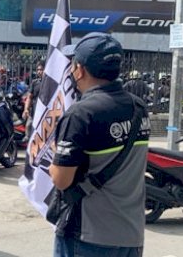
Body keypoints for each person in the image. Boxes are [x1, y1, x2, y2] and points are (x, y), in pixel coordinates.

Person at [50, 32, 150, 257]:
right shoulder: (139, 107)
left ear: (80, 69)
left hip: (88, 236)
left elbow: (61, 179)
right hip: (131, 235)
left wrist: (52, 165)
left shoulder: (81, 113)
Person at [23, 62, 45, 138]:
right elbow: (29, 97)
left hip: (45, 113)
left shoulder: (51, 83)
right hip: (35, 111)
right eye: (38, 70)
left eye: (41, 69)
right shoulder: (34, 82)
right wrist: (26, 109)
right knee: (29, 127)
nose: (39, 71)